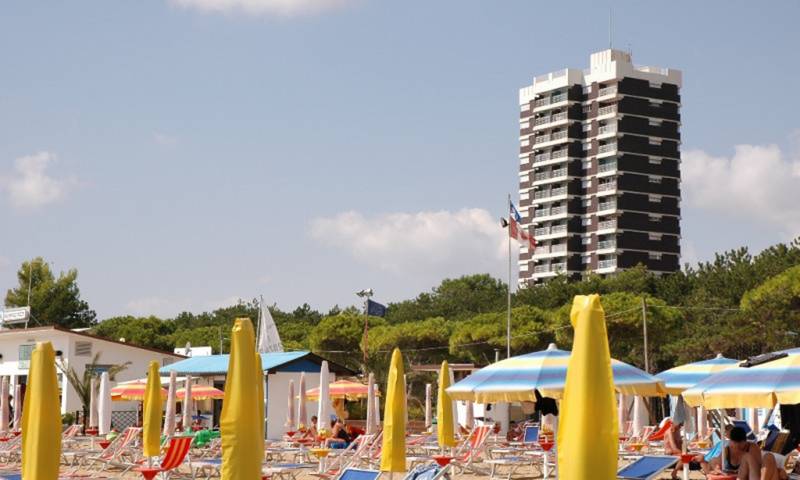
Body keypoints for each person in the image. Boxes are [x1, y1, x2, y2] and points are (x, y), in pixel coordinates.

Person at [707, 426, 788, 480]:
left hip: (754, 477)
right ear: (731, 441)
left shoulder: (752, 448)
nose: (736, 446)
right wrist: (716, 468)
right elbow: (715, 463)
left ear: (745, 441)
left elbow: (758, 469)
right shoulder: (727, 450)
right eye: (734, 443)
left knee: (768, 457)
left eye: (740, 443)